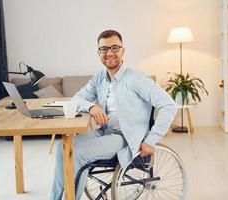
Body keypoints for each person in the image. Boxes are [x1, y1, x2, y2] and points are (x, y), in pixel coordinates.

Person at [50, 30, 177, 200]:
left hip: (125, 138)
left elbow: (169, 105)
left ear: (123, 50)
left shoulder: (137, 79)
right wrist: (91, 107)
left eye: (115, 48)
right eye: (104, 49)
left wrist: (151, 139)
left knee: (78, 154)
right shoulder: (99, 78)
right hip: (104, 132)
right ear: (98, 53)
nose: (109, 53)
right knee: (62, 148)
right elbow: (77, 99)